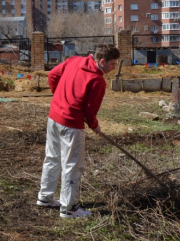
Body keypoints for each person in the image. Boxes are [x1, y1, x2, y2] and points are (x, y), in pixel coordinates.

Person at [36, 45, 120, 218]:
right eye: (112, 64)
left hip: (54, 117)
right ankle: (69, 208)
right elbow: (90, 112)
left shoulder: (74, 60)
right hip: (71, 125)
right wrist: (94, 125)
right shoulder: (97, 81)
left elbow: (53, 75)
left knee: (52, 157)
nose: (114, 68)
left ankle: (45, 197)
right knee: (72, 165)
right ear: (102, 61)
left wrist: (59, 96)